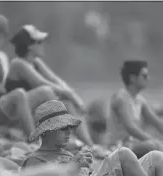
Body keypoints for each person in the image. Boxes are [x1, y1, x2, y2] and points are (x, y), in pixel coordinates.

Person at [22, 100, 163, 176]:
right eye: (62, 128)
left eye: (69, 127)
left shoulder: (67, 153)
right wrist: (74, 167)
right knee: (123, 154)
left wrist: (86, 167)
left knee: (157, 157)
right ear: (46, 132)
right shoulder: (34, 160)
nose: (69, 132)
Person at [7, 24, 101, 152]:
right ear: (29, 46)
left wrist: (73, 97)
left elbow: (56, 80)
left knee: (66, 102)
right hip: (16, 115)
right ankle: (47, 139)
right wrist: (71, 95)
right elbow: (41, 82)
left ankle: (90, 145)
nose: (43, 45)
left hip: (32, 113)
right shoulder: (18, 63)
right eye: (39, 42)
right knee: (47, 92)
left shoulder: (36, 62)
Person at [86, 60, 163, 163]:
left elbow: (160, 125)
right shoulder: (121, 98)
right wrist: (154, 142)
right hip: (119, 147)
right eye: (144, 76)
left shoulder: (140, 101)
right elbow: (131, 128)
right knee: (153, 146)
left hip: (134, 145)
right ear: (133, 78)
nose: (148, 79)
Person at [0, 16, 55, 138]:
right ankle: (33, 139)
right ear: (5, 34)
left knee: (28, 97)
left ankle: (26, 134)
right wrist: (8, 94)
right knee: (21, 94)